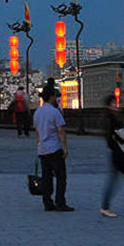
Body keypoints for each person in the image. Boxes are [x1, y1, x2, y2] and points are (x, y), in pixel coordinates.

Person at [33, 84, 72, 212]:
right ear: (51, 97)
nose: (57, 99)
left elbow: (37, 132)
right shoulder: (55, 112)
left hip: (42, 149)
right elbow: (61, 131)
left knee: (46, 177)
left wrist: (39, 145)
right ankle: (60, 202)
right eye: (55, 96)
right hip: (54, 148)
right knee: (61, 177)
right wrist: (65, 148)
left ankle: (47, 202)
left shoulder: (38, 112)